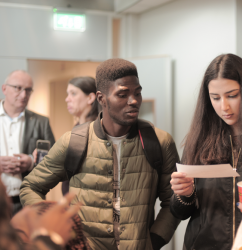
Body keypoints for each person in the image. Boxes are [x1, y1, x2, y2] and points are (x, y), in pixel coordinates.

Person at [20, 58, 181, 249]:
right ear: (101, 98)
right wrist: (49, 225)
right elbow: (30, 187)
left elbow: (173, 201)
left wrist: (154, 240)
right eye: (122, 94)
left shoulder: (160, 142)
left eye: (138, 93)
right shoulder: (73, 141)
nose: (134, 101)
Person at [170, 53, 242, 249]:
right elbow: (179, 212)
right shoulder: (199, 140)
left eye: (232, 95)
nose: (224, 107)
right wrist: (184, 195)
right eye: (215, 98)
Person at [0, 70, 55, 216]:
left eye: (28, 90)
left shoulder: (41, 122)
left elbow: (55, 162)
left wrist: (31, 162)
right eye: (18, 88)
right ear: (4, 89)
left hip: (28, 203)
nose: (24, 95)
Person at [61, 76, 99, 195]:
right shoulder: (76, 128)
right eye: (68, 94)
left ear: (90, 98)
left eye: (73, 93)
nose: (67, 99)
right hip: (72, 203)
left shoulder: (99, 130)